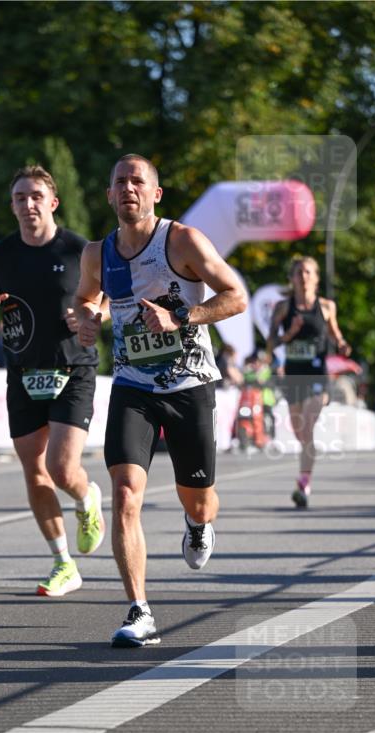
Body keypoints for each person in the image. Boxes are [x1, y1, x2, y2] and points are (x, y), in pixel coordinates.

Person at [74, 153, 246, 647]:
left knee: (199, 498)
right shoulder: (97, 253)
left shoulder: (182, 241)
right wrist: (88, 319)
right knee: (125, 494)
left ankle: (197, 522)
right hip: (133, 386)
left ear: (155, 193)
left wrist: (181, 318)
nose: (128, 189)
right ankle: (139, 610)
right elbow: (88, 299)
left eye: (138, 182)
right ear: (108, 195)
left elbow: (236, 295)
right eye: (119, 182)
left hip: (189, 384)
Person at [0, 164, 106, 596]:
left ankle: (86, 499)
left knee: (62, 468)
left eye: (36, 197)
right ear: (12, 206)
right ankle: (63, 563)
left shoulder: (79, 250)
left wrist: (88, 315)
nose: (28, 205)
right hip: (23, 371)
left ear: (53, 203)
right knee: (34, 472)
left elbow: (110, 302)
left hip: (73, 367)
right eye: (20, 198)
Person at [267, 257, 350, 508]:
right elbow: (271, 344)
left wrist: (343, 345)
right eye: (299, 272)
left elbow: (336, 335)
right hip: (293, 375)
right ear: (292, 278)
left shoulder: (326, 307)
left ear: (316, 277)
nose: (303, 276)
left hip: (317, 376)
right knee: (299, 432)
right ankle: (304, 474)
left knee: (308, 426)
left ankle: (304, 484)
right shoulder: (283, 307)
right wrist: (289, 334)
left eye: (308, 272)